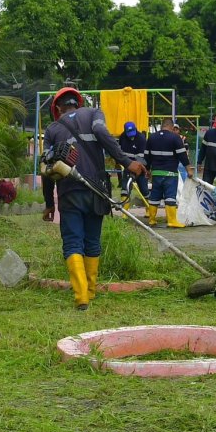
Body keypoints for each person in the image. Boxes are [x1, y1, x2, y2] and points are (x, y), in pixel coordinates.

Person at [41, 87, 145, 311]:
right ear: (77, 103)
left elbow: (46, 169)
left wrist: (49, 203)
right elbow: (104, 136)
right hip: (97, 190)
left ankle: (81, 298)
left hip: (69, 193)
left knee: (72, 242)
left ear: (58, 108)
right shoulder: (94, 114)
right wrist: (127, 162)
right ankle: (91, 291)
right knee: (92, 242)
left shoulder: (52, 129)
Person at [145, 118, 192, 228]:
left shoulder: (152, 137)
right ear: (171, 127)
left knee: (155, 196)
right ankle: (171, 220)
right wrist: (188, 170)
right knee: (170, 197)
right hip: (170, 173)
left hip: (156, 173)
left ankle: (152, 220)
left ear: (162, 126)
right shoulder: (175, 138)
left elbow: (146, 156)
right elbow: (183, 156)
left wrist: (147, 170)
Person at [118, 121, 149, 202]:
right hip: (128, 167)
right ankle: (124, 212)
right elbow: (120, 152)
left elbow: (142, 159)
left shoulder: (141, 138)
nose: (132, 136)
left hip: (140, 168)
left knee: (144, 190)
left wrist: (138, 170)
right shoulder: (122, 137)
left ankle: (149, 211)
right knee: (125, 189)